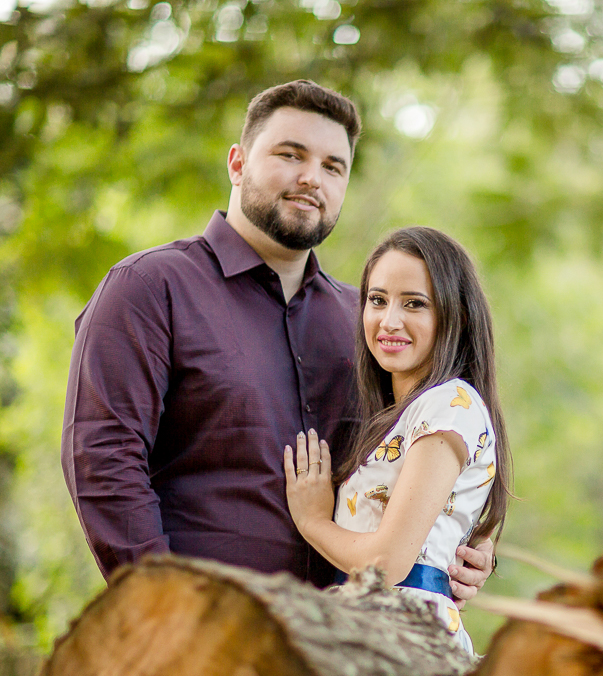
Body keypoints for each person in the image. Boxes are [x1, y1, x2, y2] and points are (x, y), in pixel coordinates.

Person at [61, 80, 494, 599]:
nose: (312, 178)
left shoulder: (367, 323)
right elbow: (104, 461)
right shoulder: (150, 289)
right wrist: (167, 613)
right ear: (238, 164)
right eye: (291, 155)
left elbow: (422, 452)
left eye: (334, 167)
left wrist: (468, 547)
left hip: (343, 647)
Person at [283, 227, 512, 652]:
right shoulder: (405, 413)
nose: (389, 321)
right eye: (377, 300)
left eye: (414, 304)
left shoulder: (449, 404)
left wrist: (313, 521)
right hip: (367, 631)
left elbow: (388, 564)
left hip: (402, 642)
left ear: (457, 316)